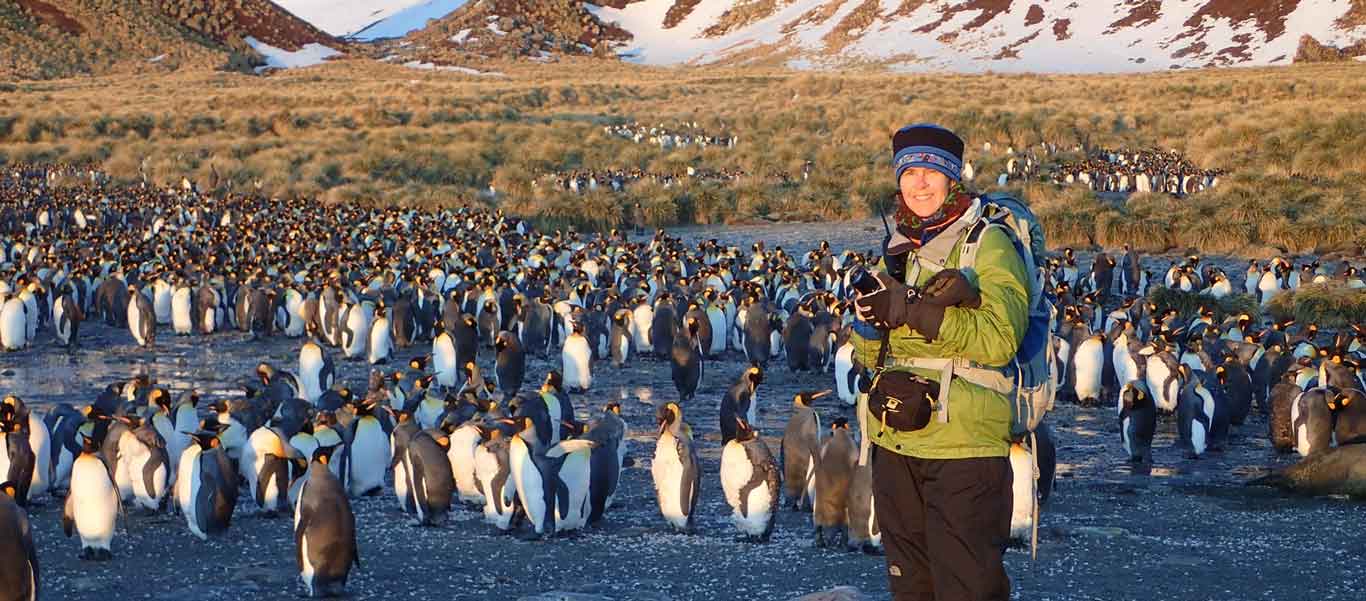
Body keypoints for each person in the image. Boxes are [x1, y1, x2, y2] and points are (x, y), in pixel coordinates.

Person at [850, 123, 1029, 601]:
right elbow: (876, 358)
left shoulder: (988, 243)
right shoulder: (897, 250)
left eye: (932, 170)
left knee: (968, 589)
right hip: (897, 442)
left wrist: (913, 310)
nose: (920, 183)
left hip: (963, 450)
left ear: (953, 177)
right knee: (911, 590)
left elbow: (999, 340)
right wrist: (869, 326)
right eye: (911, 171)